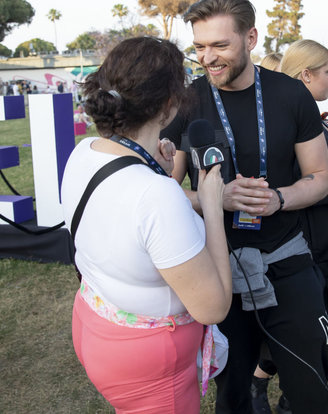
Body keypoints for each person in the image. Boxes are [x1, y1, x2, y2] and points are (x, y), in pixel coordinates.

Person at [161, 0, 328, 414]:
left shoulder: (290, 95)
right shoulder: (189, 100)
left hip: (286, 259)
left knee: (310, 391)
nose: (208, 57)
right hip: (219, 270)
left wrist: (278, 198)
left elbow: (321, 178)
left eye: (220, 45)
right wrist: (213, 198)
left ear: (251, 38)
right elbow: (165, 195)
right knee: (232, 395)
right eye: (200, 47)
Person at [60, 37, 232, 414]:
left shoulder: (83, 151)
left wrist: (159, 171)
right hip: (152, 372)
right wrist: (212, 206)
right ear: (170, 106)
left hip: (96, 327)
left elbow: (126, 220)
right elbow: (213, 308)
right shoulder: (157, 195)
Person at [249, 39, 328, 414]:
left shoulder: (304, 117)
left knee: (317, 329)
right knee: (315, 331)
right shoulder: (285, 120)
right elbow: (313, 182)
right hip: (315, 246)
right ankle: (282, 395)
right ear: (306, 75)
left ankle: (270, 389)